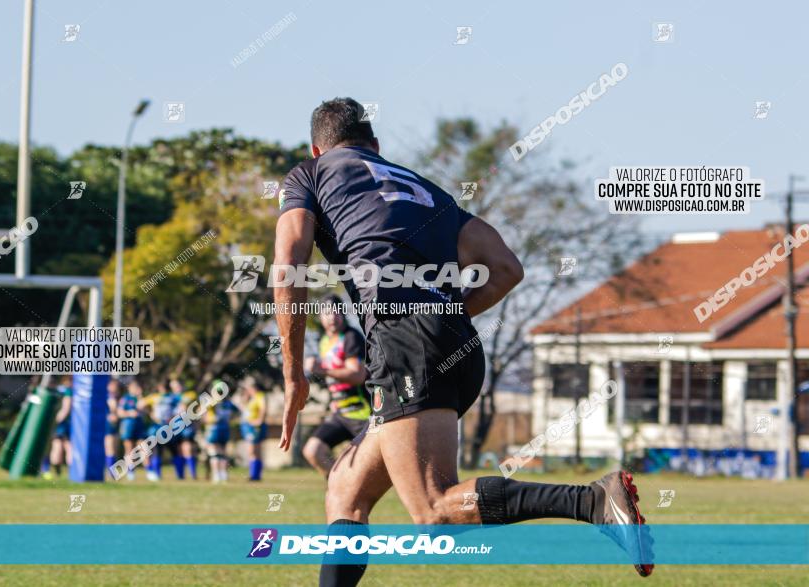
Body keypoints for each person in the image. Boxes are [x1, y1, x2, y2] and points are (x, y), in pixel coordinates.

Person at [273, 97, 653, 586]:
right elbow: (507, 270)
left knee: (432, 509)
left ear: (317, 147)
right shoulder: (423, 189)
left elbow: (288, 264)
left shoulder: (310, 173)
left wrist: (292, 371)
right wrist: (441, 319)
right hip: (457, 345)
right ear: (377, 147)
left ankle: (593, 501)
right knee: (346, 488)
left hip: (403, 339)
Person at [302, 294, 369, 478]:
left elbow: (357, 375)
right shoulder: (324, 341)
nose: (331, 317)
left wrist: (322, 369)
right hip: (340, 414)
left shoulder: (351, 337)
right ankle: (337, 489)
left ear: (343, 313)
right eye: (326, 313)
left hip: (363, 415)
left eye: (335, 312)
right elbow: (334, 380)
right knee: (313, 450)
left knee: (367, 469)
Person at [142, 380, 182, 481]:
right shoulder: (155, 397)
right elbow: (141, 404)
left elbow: (181, 408)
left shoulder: (173, 397)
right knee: (158, 450)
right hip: (157, 427)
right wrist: (150, 413)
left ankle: (180, 475)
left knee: (174, 450)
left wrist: (174, 417)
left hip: (169, 427)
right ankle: (157, 474)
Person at [204, 379, 241, 483]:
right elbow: (238, 413)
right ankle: (223, 474)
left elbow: (201, 415)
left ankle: (217, 474)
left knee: (214, 452)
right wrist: (230, 419)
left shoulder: (212, 402)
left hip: (214, 429)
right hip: (225, 429)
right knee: (223, 452)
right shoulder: (228, 403)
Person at [239, 377, 267, 481]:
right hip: (248, 426)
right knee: (255, 451)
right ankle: (255, 475)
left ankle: (254, 475)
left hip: (254, 427)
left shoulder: (260, 396)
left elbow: (263, 409)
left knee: (253, 451)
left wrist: (260, 420)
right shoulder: (251, 398)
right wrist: (245, 397)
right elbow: (243, 408)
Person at [45, 375, 73, 479]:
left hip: (60, 423)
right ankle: (70, 474)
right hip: (64, 424)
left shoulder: (57, 390)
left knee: (58, 446)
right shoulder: (67, 391)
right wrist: (56, 421)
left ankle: (56, 473)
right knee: (66, 447)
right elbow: (66, 409)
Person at [117, 379, 145, 481]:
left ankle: (150, 471)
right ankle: (130, 471)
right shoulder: (125, 399)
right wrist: (129, 413)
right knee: (129, 449)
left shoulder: (140, 398)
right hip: (127, 425)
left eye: (137, 387)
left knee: (144, 448)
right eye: (134, 387)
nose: (136, 389)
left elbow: (144, 409)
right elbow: (119, 413)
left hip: (139, 425)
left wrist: (141, 397)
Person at [172, 379, 199, 480]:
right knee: (178, 451)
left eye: (177, 385)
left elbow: (187, 406)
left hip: (186, 425)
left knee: (187, 448)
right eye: (173, 386)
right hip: (174, 427)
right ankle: (180, 476)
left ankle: (193, 474)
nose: (176, 388)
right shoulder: (170, 397)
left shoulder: (189, 394)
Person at [105, 379, 121, 477]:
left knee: (114, 448)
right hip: (108, 424)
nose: (114, 387)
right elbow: (113, 409)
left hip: (114, 425)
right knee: (109, 447)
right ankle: (111, 472)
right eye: (112, 385)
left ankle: (111, 470)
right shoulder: (107, 396)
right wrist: (112, 414)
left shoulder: (116, 397)